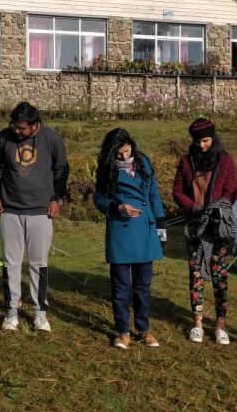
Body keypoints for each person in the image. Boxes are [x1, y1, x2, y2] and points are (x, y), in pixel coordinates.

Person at [0, 102, 69, 333]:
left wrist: (57, 199)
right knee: (11, 263)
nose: (17, 131)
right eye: (14, 126)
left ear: (35, 125)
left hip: (40, 212)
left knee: (38, 264)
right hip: (9, 210)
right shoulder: (4, 137)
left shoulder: (51, 139)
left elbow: (62, 169)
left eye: (21, 128)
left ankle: (39, 312)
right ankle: (11, 311)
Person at [93, 128, 165, 350]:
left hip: (145, 228)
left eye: (126, 151)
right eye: (119, 154)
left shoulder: (143, 162)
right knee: (121, 286)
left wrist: (160, 224)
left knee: (143, 286)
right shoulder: (106, 170)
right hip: (121, 231)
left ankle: (143, 329)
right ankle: (123, 331)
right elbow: (99, 199)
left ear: (131, 145)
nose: (124, 157)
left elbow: (153, 193)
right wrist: (118, 207)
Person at [172, 118, 237, 345]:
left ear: (214, 138)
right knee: (196, 275)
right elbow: (177, 191)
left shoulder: (226, 162)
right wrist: (193, 207)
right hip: (194, 227)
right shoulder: (186, 163)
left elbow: (231, 190)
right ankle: (198, 323)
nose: (202, 146)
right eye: (198, 141)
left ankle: (220, 324)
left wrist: (217, 208)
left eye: (206, 141)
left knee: (219, 276)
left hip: (217, 227)